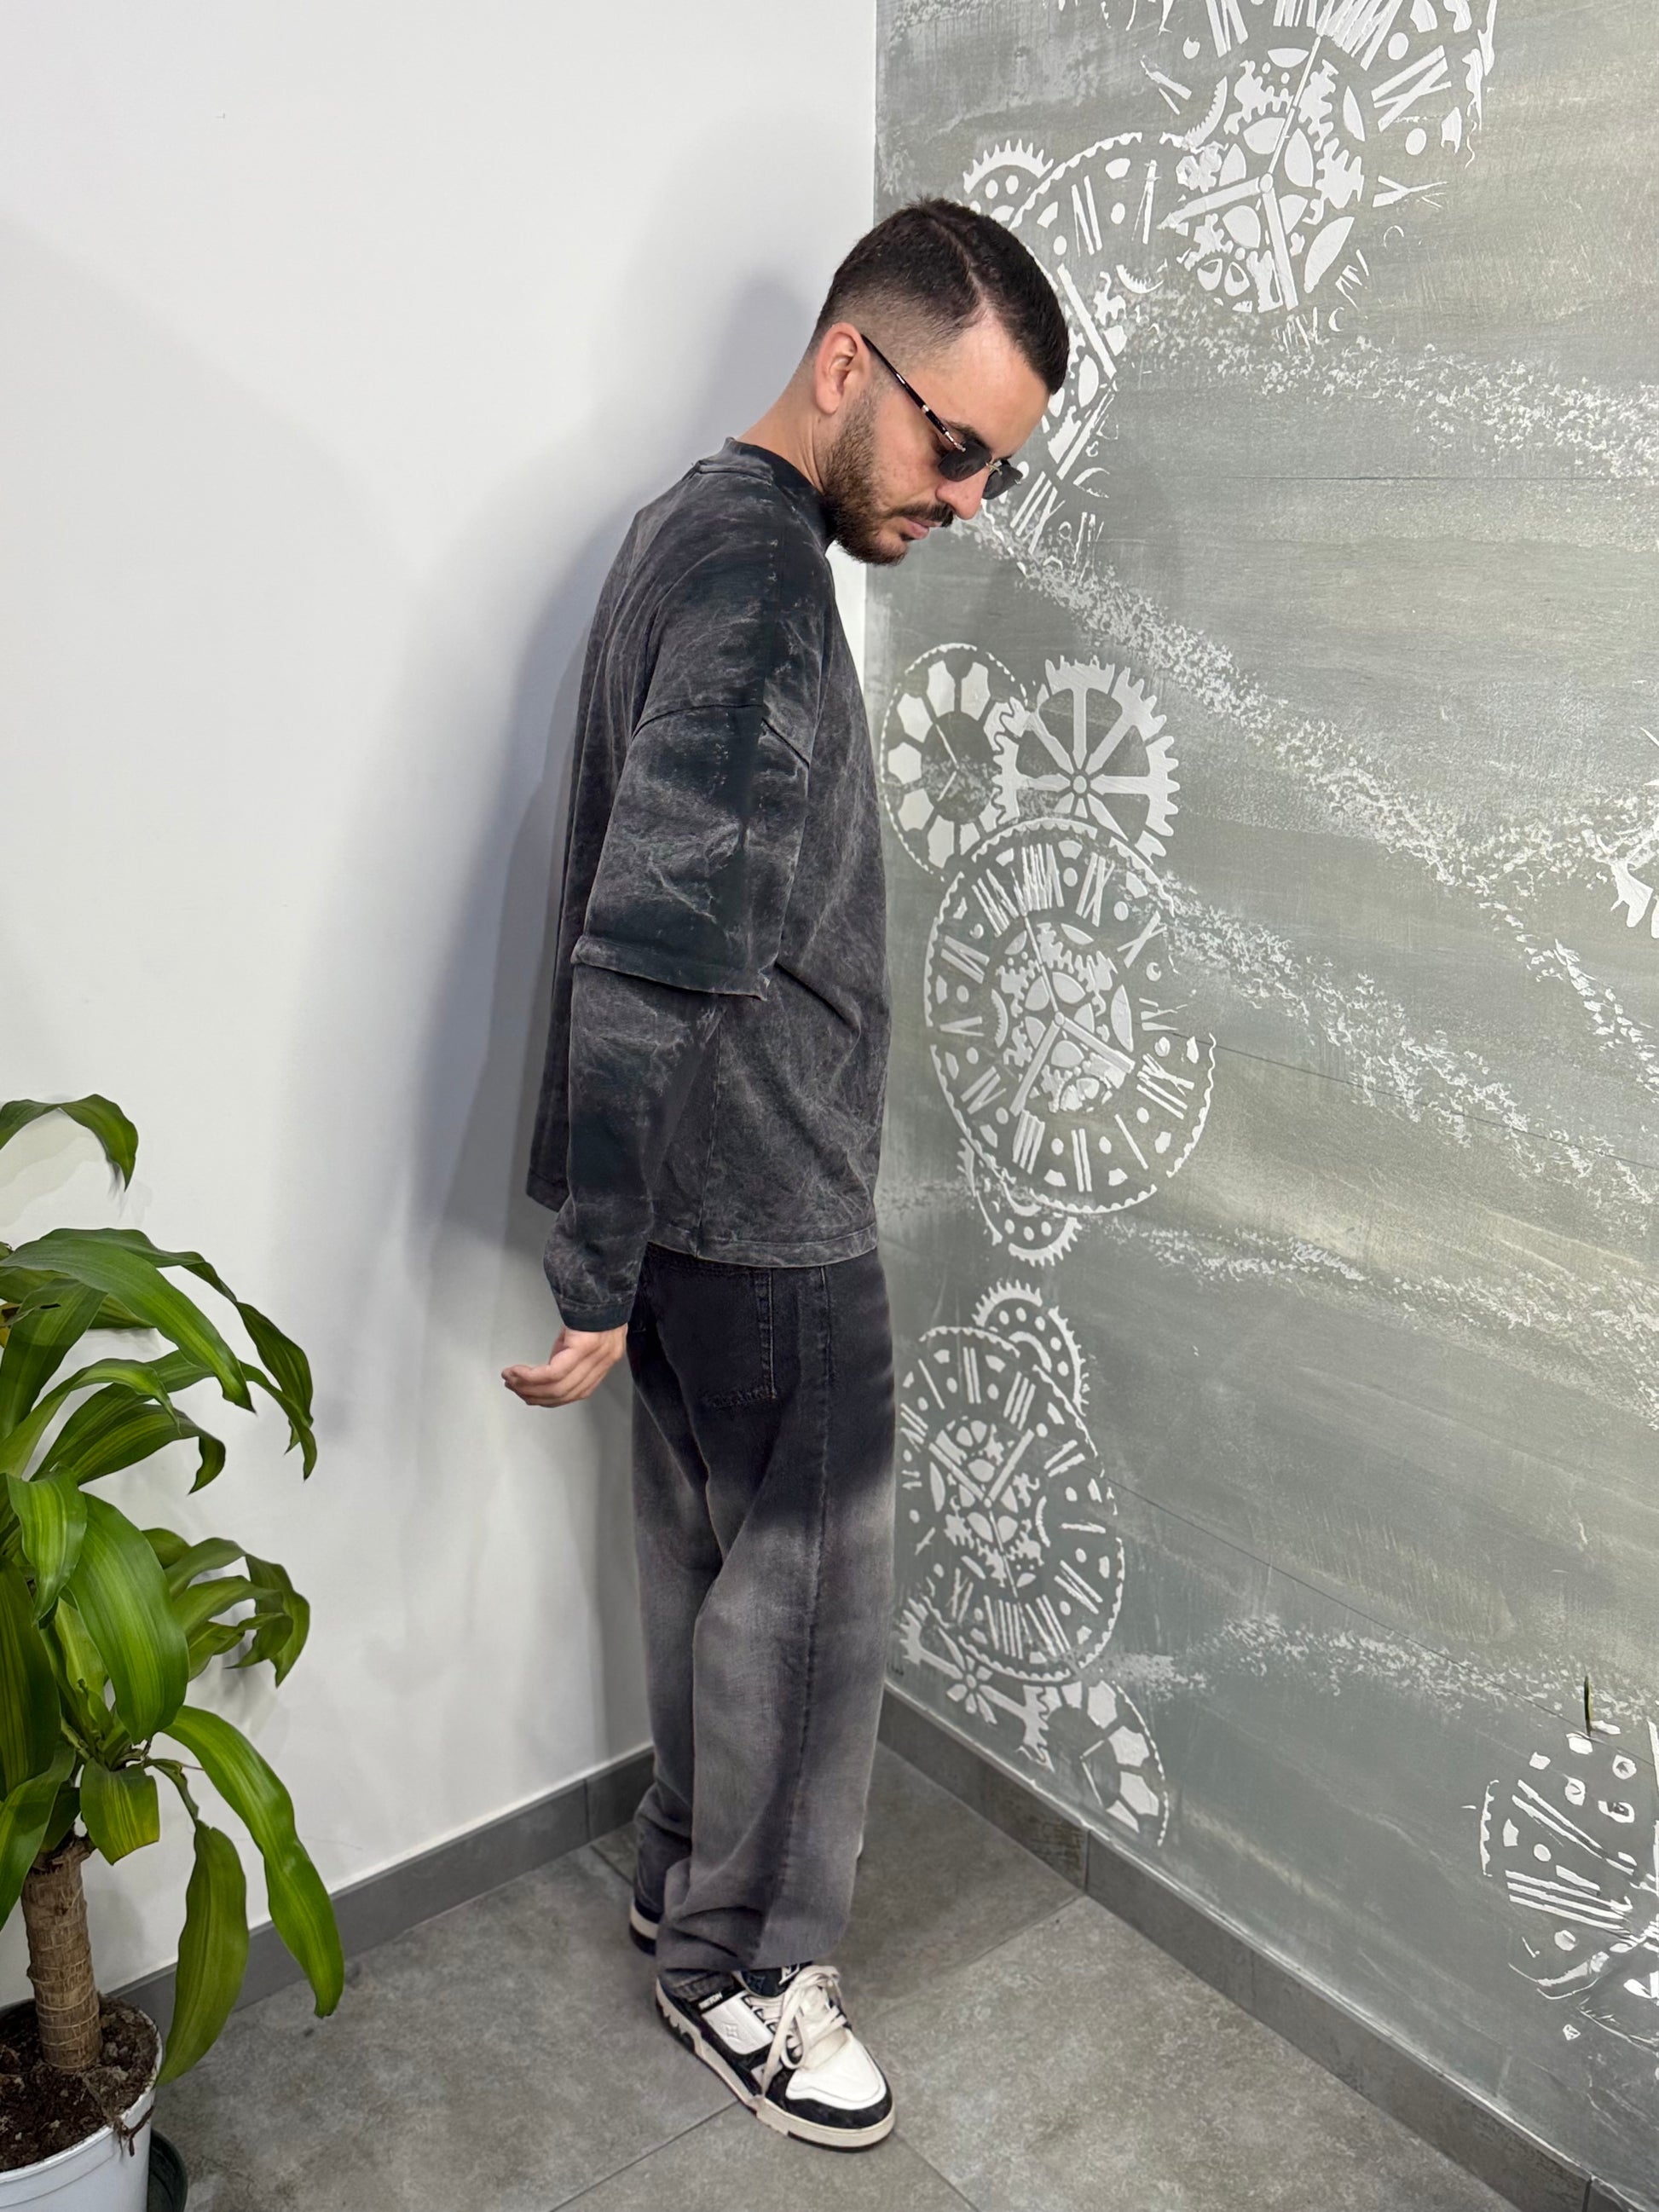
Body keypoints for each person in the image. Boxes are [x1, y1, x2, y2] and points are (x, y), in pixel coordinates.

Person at [502, 199, 1066, 2151]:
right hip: (759, 1204)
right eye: (954, 445)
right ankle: (745, 1964)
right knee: (811, 1613)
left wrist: (613, 1237)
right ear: (849, 364)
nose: (966, 498)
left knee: (710, 1574)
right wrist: (597, 1265)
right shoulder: (752, 580)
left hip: (691, 1200)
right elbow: (654, 939)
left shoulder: (689, 526)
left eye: (994, 468)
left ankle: (686, 1877)